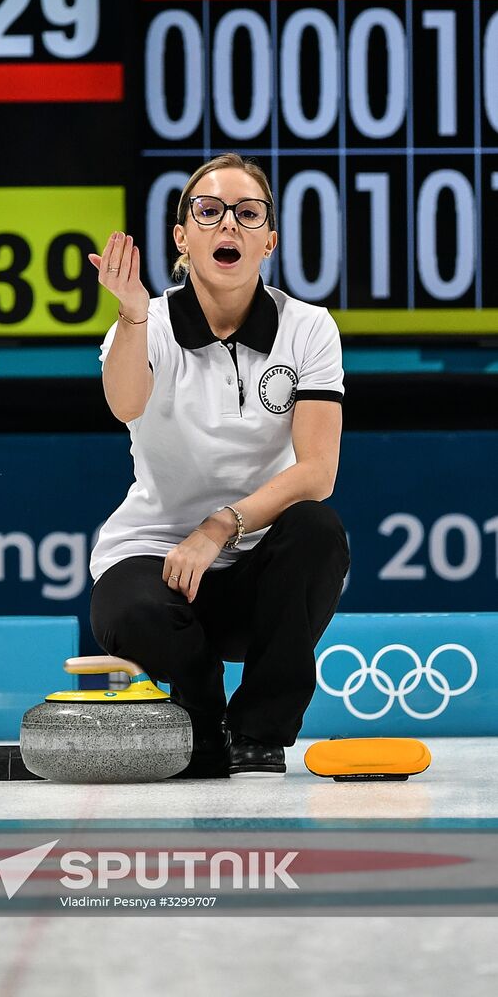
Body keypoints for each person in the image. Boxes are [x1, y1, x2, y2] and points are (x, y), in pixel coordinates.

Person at [87, 153, 350, 778]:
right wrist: (130, 313)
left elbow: (317, 471)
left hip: (257, 570)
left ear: (269, 240)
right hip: (156, 557)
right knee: (128, 610)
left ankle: (260, 730)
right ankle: (199, 723)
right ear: (183, 237)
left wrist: (220, 526)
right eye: (208, 212)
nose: (227, 224)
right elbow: (125, 404)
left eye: (247, 213)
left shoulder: (308, 328)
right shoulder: (145, 324)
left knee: (317, 530)